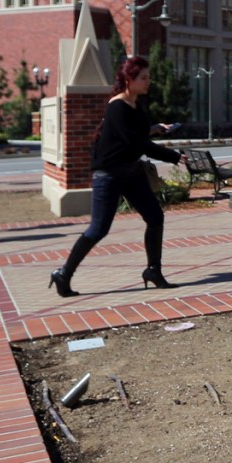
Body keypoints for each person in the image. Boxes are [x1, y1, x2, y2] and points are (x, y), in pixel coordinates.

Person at [49, 56, 183, 297]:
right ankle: (63, 273)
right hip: (108, 175)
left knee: (155, 217)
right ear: (129, 79)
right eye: (143, 78)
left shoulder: (135, 104)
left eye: (148, 77)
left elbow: (137, 133)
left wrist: (155, 128)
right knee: (98, 229)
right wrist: (173, 156)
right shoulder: (117, 106)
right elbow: (135, 141)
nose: (148, 82)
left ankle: (153, 270)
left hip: (131, 172)